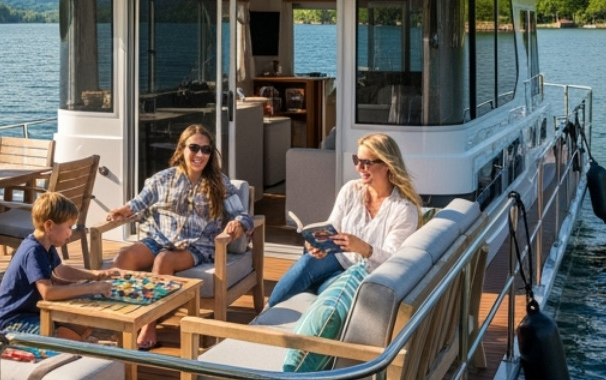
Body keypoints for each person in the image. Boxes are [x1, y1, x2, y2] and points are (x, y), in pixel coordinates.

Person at [105, 124, 253, 349]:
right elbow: (138, 203)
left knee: (164, 260)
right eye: (194, 148)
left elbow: (243, 215)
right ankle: (118, 318)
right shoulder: (163, 178)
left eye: (206, 150)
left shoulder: (219, 182)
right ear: (182, 149)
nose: (199, 155)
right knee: (125, 256)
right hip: (159, 238)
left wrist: (238, 224)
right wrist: (123, 210)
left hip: (196, 246)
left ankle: (149, 325)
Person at [265, 132, 421, 309]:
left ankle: (317, 290)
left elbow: (393, 259)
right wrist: (318, 243)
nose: (359, 167)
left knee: (329, 288)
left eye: (367, 162)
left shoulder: (403, 209)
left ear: (386, 165)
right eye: (357, 160)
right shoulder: (351, 190)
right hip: (338, 258)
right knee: (307, 262)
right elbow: (333, 226)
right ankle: (266, 312)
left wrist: (364, 248)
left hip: (366, 271)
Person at [0, 193, 120, 339]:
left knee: (82, 324)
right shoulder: (33, 251)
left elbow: (61, 270)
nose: (70, 233)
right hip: (13, 321)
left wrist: (95, 275)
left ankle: (79, 342)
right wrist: (92, 288)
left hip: (32, 313)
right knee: (69, 340)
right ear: (49, 226)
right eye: (69, 227)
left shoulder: (46, 244)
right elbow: (48, 293)